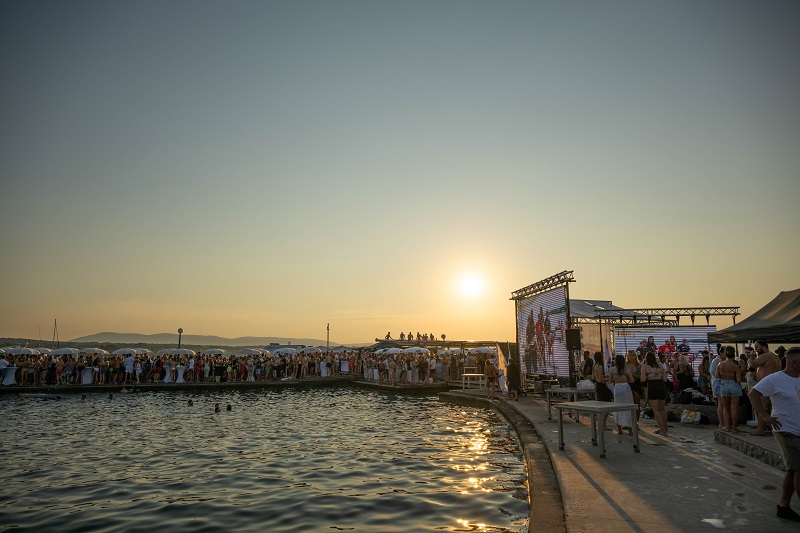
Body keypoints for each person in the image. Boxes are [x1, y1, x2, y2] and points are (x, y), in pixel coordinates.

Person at [748, 347, 800, 523]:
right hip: (785, 429)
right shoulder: (775, 379)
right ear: (794, 362)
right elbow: (753, 394)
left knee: (792, 470)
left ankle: (784, 506)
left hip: (798, 430)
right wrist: (764, 416)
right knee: (798, 469)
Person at [751, 340, 782, 436]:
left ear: (764, 347)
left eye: (757, 347)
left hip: (766, 385)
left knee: (761, 406)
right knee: (771, 407)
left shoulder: (765, 356)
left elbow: (752, 365)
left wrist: (752, 356)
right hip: (774, 384)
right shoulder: (775, 357)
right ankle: (767, 425)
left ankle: (760, 429)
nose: (755, 350)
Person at [715, 346, 742, 433]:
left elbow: (716, 375)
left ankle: (726, 426)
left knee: (726, 408)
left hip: (724, 385)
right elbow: (739, 379)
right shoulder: (735, 366)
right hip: (734, 384)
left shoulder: (720, 365)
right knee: (734, 407)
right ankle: (734, 427)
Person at [642, 351, 669, 436]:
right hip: (661, 386)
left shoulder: (645, 367)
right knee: (662, 409)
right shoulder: (660, 366)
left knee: (655, 410)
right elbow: (665, 379)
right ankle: (665, 427)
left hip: (652, 386)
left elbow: (642, 379)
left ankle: (662, 429)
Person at [609, 355, 634, 435]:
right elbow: (632, 380)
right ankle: (630, 430)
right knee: (628, 408)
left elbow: (610, 380)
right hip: (626, 388)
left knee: (618, 408)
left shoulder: (612, 370)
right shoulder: (626, 369)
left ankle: (619, 430)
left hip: (617, 388)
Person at [592, 352, 613, 431]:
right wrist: (610, 379)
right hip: (601, 386)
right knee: (607, 404)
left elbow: (595, 377)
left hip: (597, 385)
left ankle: (601, 422)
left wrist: (606, 376)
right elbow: (601, 379)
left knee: (601, 403)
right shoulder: (600, 366)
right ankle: (603, 424)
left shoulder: (594, 366)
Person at [710, 348, 725, 429]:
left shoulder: (725, 361)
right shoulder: (716, 360)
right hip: (718, 383)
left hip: (724, 383)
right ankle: (721, 423)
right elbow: (713, 372)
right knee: (721, 403)